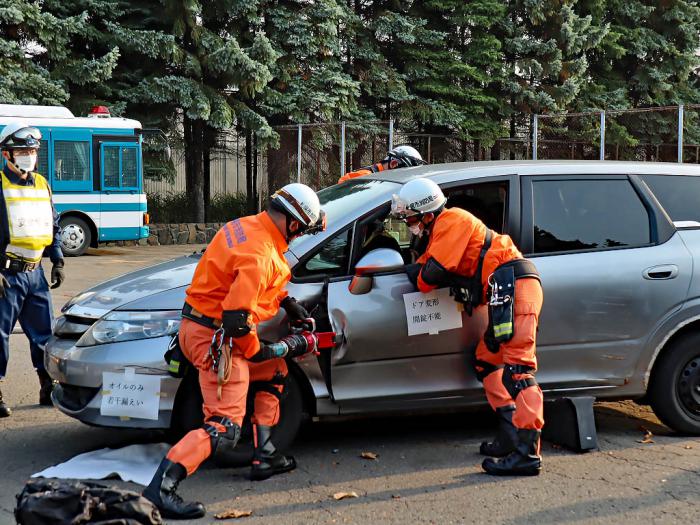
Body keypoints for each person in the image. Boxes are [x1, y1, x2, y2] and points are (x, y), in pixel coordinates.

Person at [143, 183, 326, 520]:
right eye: (302, 233)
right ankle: (160, 491)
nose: (299, 239)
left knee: (277, 372)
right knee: (224, 426)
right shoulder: (261, 253)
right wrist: (272, 348)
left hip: (199, 326)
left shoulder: (244, 226)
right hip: (219, 341)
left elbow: (239, 279)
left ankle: (266, 454)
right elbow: (238, 321)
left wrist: (288, 302)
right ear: (295, 224)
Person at [391, 178, 544, 476]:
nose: (409, 224)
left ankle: (528, 454)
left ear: (427, 213)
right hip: (504, 289)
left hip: (515, 287)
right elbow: (426, 268)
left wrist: (415, 272)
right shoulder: (440, 232)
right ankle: (511, 433)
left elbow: (428, 277)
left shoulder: (452, 220)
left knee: (519, 371)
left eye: (410, 218)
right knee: (487, 361)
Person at [0, 121, 65, 418]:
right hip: (7, 274)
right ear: (7, 155)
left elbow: (51, 224)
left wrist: (58, 259)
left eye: (32, 150)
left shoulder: (42, 184)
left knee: (43, 334)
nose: (28, 155)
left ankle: (46, 385)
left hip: (35, 272)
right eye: (22, 150)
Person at [337, 145, 425, 184]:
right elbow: (341, 186)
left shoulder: (379, 178)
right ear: (394, 164)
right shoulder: (367, 176)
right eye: (403, 173)